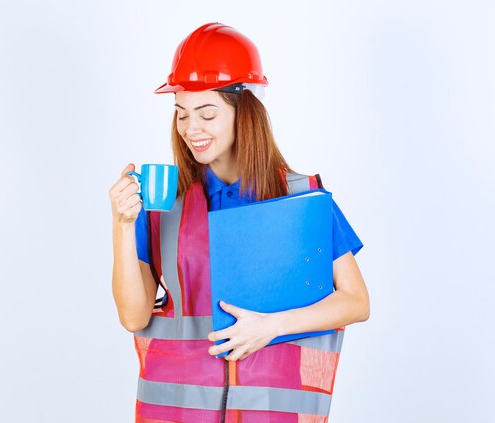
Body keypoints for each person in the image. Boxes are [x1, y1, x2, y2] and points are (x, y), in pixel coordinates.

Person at [109, 22, 370, 423]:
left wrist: (271, 327)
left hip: (269, 412)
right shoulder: (164, 205)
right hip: (178, 412)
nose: (191, 129)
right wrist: (123, 224)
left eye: (206, 113)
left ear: (244, 111)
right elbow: (133, 316)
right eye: (181, 114)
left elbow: (355, 301)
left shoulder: (301, 197)